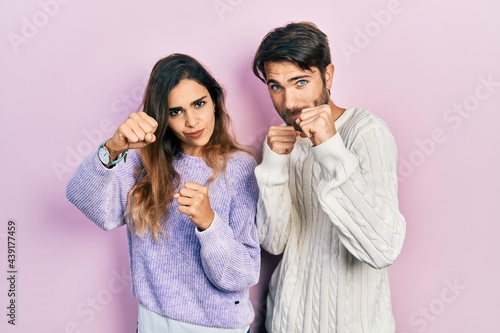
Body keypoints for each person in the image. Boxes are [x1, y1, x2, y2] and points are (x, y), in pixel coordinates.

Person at [66, 53, 260, 333]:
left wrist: (209, 223)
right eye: (176, 111)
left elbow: (243, 273)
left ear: (215, 102)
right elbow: (91, 205)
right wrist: (113, 148)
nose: (192, 121)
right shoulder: (141, 161)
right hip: (153, 321)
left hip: (218, 327)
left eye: (199, 104)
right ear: (162, 116)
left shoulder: (238, 168)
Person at [251, 22, 406, 333]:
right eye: (275, 86)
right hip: (284, 323)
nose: (288, 102)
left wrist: (329, 147)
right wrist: (273, 167)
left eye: (300, 82)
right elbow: (274, 242)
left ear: (328, 75)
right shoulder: (281, 144)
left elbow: (383, 248)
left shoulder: (366, 132)